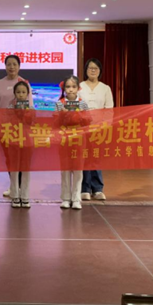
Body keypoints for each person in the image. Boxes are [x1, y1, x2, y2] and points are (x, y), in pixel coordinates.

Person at [0, 54, 34, 197]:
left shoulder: (24, 83)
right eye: (9, 64)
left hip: (22, 129)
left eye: (14, 64)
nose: (11, 67)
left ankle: (21, 188)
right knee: (9, 158)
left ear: (19, 66)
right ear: (5, 66)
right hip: (5, 128)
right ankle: (13, 186)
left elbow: (30, 106)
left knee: (22, 158)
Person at [78, 58, 113, 201]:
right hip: (82, 128)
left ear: (100, 71)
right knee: (84, 156)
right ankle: (84, 188)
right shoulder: (79, 87)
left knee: (96, 157)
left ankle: (98, 189)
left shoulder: (105, 88)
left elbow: (109, 109)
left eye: (96, 68)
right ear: (86, 70)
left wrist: (105, 126)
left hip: (99, 128)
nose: (93, 70)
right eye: (90, 68)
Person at [55, 76, 90, 210]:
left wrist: (79, 115)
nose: (70, 89)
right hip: (64, 139)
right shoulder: (60, 103)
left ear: (78, 88)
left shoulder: (83, 104)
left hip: (79, 139)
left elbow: (88, 120)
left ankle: (76, 198)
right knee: (65, 169)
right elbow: (55, 123)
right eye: (68, 87)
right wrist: (62, 115)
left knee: (78, 169)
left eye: (73, 87)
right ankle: (65, 198)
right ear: (64, 89)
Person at [7, 81, 34, 208]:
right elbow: (7, 121)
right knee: (14, 169)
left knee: (26, 169)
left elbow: (32, 122)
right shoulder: (10, 107)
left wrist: (26, 112)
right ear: (14, 93)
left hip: (27, 141)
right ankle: (15, 196)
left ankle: (25, 196)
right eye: (18, 92)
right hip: (13, 140)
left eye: (23, 92)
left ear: (27, 93)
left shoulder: (31, 108)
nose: (21, 95)